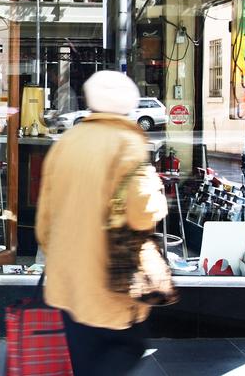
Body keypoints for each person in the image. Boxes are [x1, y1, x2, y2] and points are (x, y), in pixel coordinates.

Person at [35, 70, 168, 375]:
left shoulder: (68, 141)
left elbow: (45, 220)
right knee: (127, 347)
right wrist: (159, 199)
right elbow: (143, 211)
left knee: (83, 358)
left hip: (69, 281)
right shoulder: (128, 145)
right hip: (112, 279)